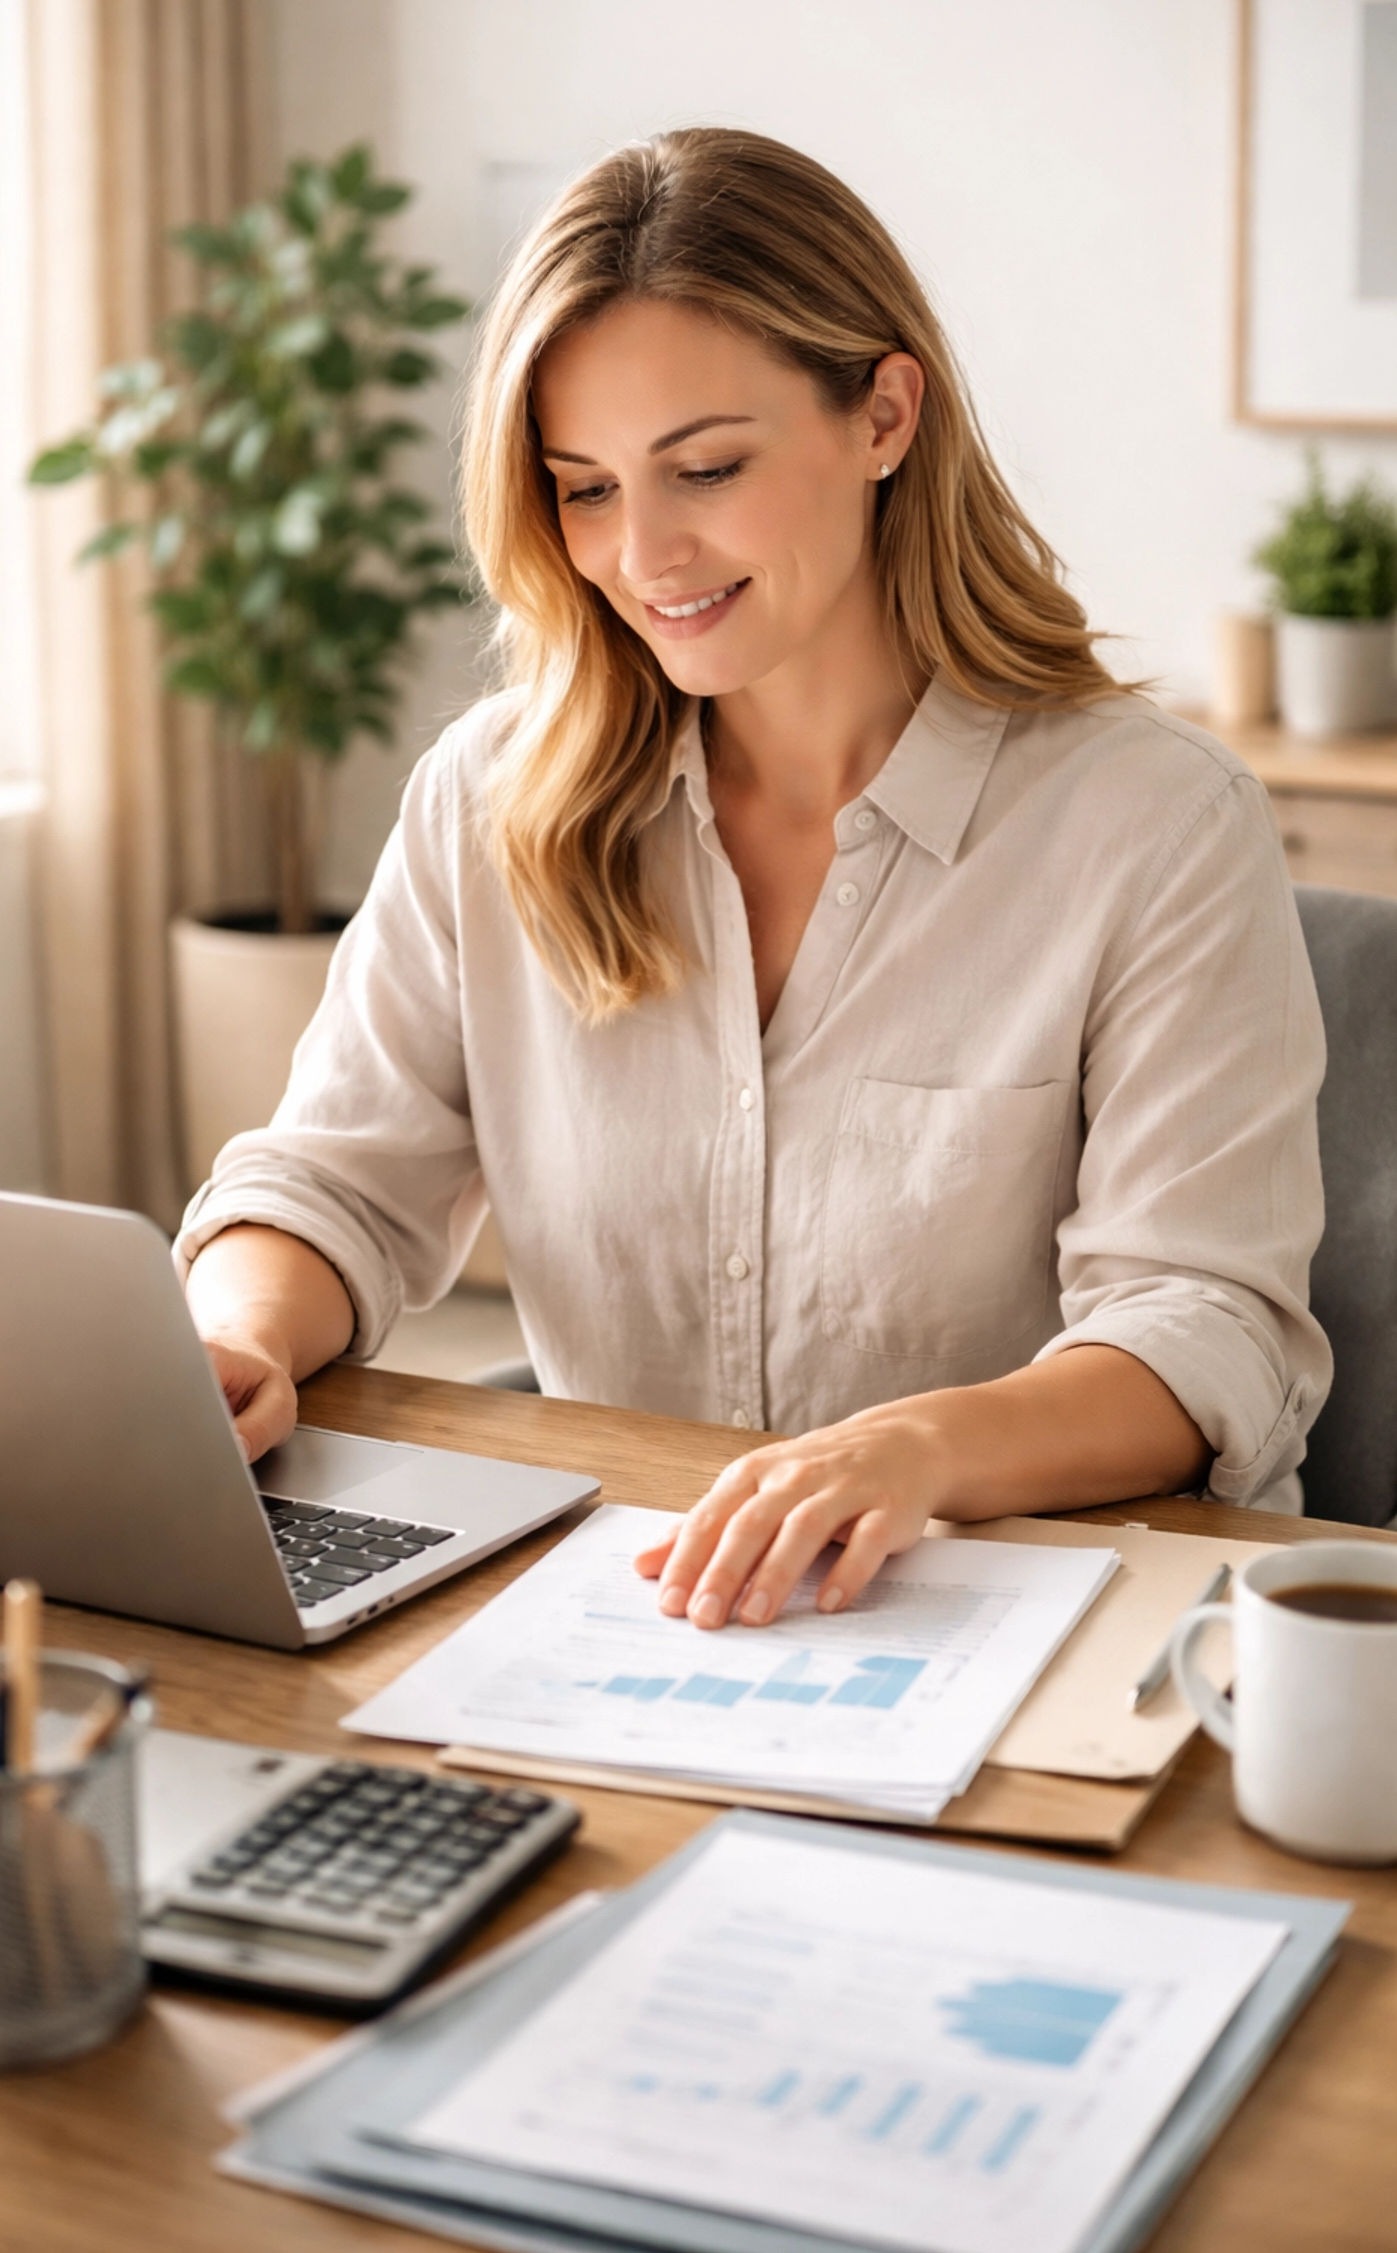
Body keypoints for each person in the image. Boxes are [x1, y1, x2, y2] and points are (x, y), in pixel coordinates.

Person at [177, 127, 1329, 1636]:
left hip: (1051, 1616)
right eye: (583, 489)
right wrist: (239, 1339)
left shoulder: (1155, 825)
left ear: (885, 415)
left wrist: (908, 1449)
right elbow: (332, 1179)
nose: (643, 553)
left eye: (706, 468)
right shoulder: (493, 795)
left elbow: (1207, 1323)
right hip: (647, 1618)